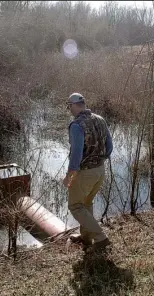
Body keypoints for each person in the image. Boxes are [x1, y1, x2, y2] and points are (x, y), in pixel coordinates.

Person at [63, 92, 113, 252]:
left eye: (69, 106)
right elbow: (109, 146)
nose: (69, 110)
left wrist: (69, 176)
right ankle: (86, 237)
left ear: (74, 105)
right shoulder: (100, 119)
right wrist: (99, 160)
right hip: (100, 171)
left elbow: (76, 154)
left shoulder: (76, 125)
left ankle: (100, 237)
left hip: (84, 172)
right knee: (86, 204)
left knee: (75, 206)